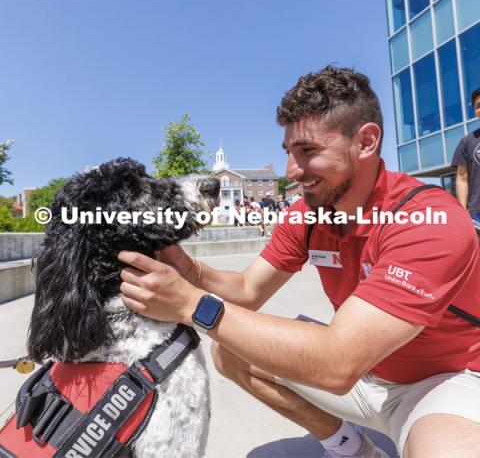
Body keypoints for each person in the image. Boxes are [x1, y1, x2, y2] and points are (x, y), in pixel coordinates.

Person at [118, 66, 480, 458]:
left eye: (308, 151)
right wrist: (189, 272)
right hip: (365, 378)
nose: (293, 172)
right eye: (289, 153)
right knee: (232, 348)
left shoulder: (429, 219)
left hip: (440, 381)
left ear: (366, 141)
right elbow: (246, 291)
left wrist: (191, 304)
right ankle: (351, 447)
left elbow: (339, 361)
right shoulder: (309, 215)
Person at [452, 88, 480, 223]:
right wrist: (463, 211)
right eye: (478, 106)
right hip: (477, 212)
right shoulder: (467, 142)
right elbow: (462, 177)